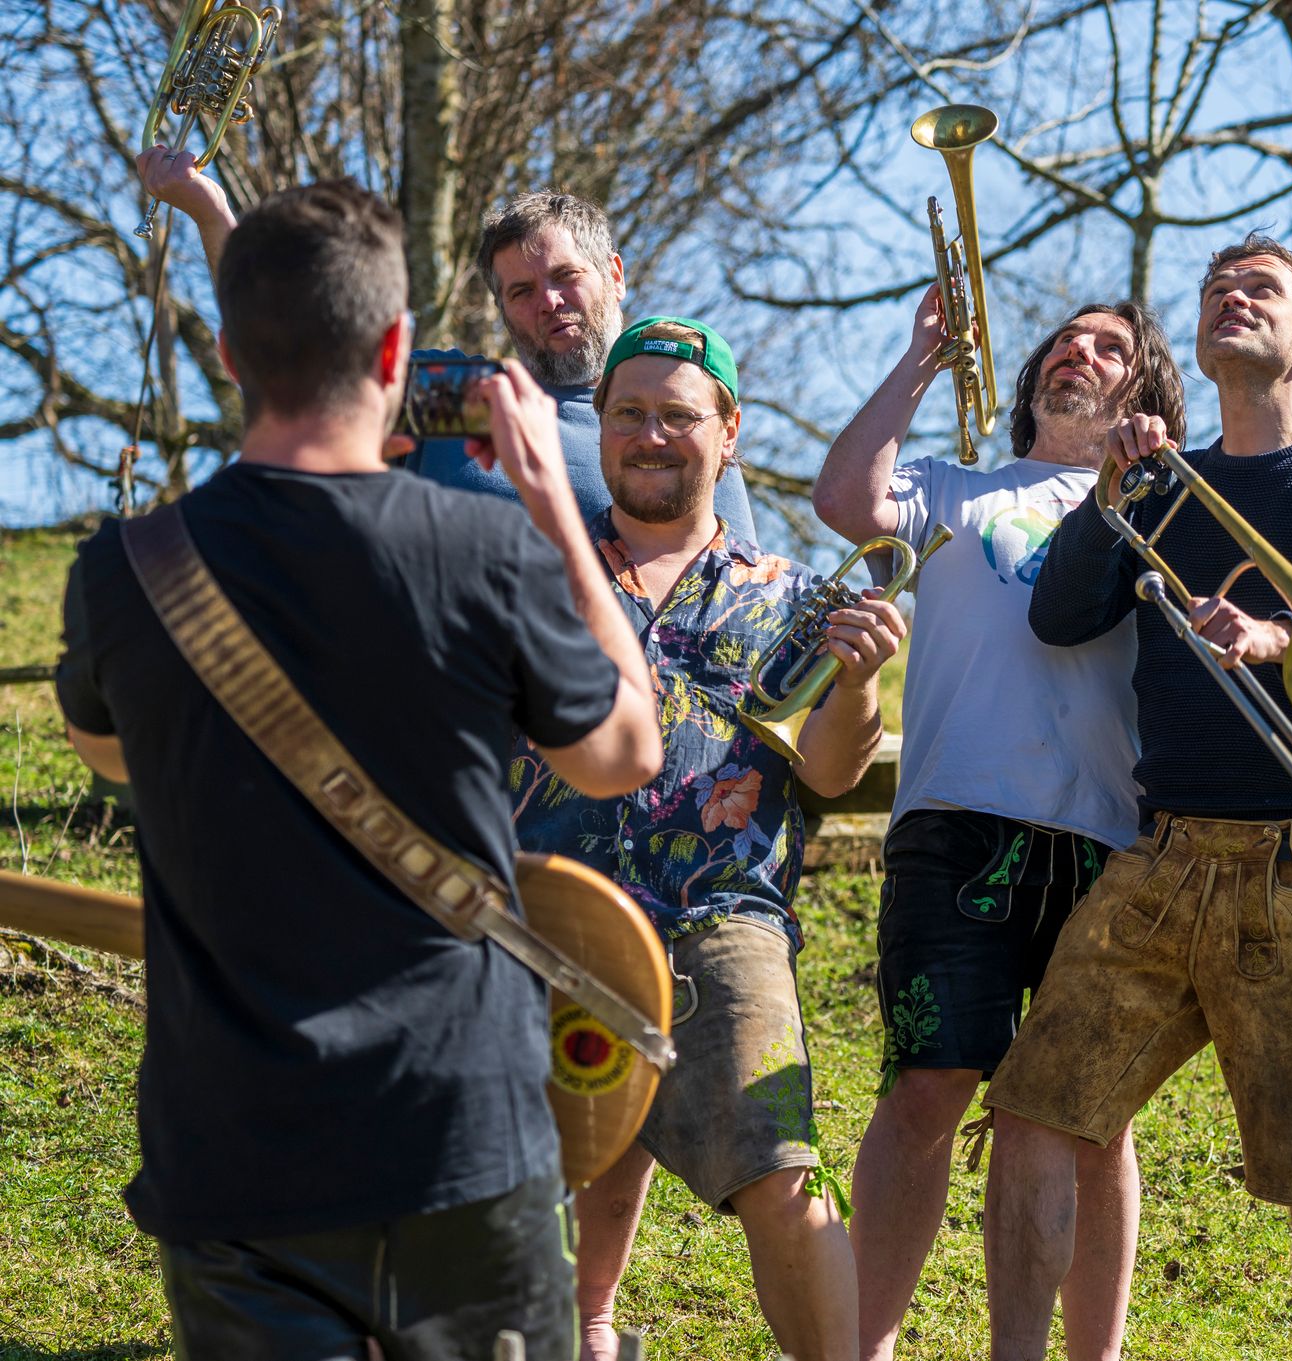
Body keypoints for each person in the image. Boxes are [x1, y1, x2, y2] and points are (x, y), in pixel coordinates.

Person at [55, 180, 663, 1360]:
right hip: (460, 1135)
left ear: (230, 351)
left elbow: (103, 752)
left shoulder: (128, 570)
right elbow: (622, 755)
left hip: (236, 1147)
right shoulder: (486, 548)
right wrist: (547, 510)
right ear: (395, 351)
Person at [986, 235, 1292, 1361]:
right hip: (1162, 851)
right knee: (1034, 1104)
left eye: (1259, 290)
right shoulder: (1164, 483)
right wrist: (1116, 489)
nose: (1230, 297)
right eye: (1217, 288)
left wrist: (1277, 634)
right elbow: (1059, 617)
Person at [507, 316, 906, 1361]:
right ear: (597, 430)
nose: (650, 434)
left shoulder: (790, 598)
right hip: (536, 918)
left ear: (726, 433)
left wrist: (857, 680)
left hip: (718, 920)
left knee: (783, 1166)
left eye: (678, 416)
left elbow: (828, 770)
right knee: (501, 1182)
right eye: (628, 413)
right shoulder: (525, 576)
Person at [813, 288, 1187, 1361]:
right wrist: (919, 361)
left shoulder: (1160, 504)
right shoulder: (951, 485)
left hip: (1110, 838)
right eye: (1065, 343)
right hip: (954, 820)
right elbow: (845, 495)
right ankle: (861, 1344)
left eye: (1110, 347)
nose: (1078, 352)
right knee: (925, 1084)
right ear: (1031, 381)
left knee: (1091, 1115)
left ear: (1143, 389)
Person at [132, 152, 754, 534]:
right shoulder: (468, 400)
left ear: (615, 274)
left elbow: (735, 603)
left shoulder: (679, 421)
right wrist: (210, 214)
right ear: (502, 308)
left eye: (566, 277)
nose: (549, 303)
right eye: (520, 291)